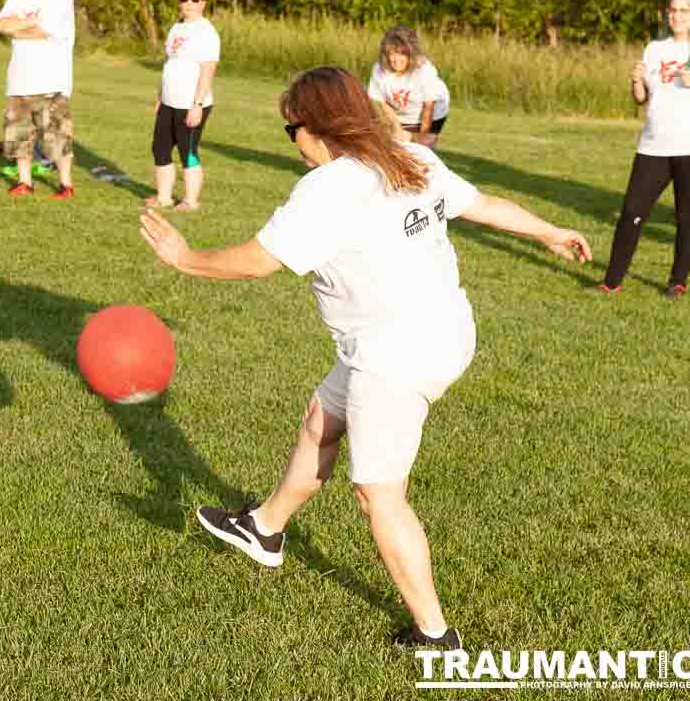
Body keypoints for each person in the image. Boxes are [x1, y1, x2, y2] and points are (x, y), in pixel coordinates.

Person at [140, 67, 591, 649]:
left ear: (317, 126)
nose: (293, 143)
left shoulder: (329, 188)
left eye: (290, 130)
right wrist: (548, 231)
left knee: (378, 492)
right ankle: (265, 529)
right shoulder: (409, 156)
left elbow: (259, 261)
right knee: (320, 420)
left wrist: (185, 259)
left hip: (394, 356)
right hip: (445, 330)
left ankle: (435, 634)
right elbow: (483, 205)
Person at [598, 0, 690, 298]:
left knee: (687, 215)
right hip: (653, 145)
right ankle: (612, 281)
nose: (677, 15)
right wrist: (636, 81)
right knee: (632, 212)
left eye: (684, 11)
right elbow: (642, 99)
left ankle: (677, 281)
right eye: (673, 10)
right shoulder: (654, 49)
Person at [0, 0, 76, 198]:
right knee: (20, 136)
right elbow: (1, 25)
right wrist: (25, 26)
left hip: (51, 79)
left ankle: (65, 185)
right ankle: (25, 182)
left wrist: (19, 27)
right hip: (20, 79)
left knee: (58, 138)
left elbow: (44, 31)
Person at [146, 0, 220, 212]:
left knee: (187, 152)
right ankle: (164, 197)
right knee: (160, 148)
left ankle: (190, 201)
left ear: (203, 3)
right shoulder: (177, 28)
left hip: (191, 103)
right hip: (169, 102)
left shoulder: (206, 32)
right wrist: (160, 97)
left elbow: (208, 69)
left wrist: (197, 105)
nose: (188, 3)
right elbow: (171, 63)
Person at [368, 26, 450, 149]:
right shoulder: (379, 69)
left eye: (402, 54)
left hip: (433, 111)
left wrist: (423, 137)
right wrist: (396, 126)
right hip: (402, 113)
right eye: (392, 53)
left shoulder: (424, 70)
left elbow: (429, 106)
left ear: (411, 54)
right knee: (398, 147)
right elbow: (382, 102)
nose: (395, 59)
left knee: (424, 149)